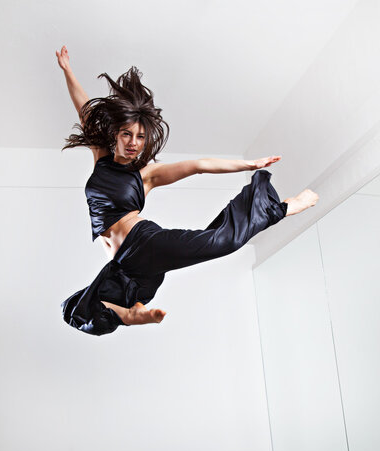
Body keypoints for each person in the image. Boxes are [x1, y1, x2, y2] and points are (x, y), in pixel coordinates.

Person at [56, 45, 318, 336]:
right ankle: (133, 313)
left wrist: (248, 164)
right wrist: (67, 70)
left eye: (140, 137)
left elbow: (199, 165)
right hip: (126, 268)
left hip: (144, 245)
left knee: (220, 243)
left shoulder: (146, 176)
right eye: (127, 134)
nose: (133, 142)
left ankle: (282, 207)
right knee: (81, 310)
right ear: (114, 135)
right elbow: (85, 109)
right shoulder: (101, 159)